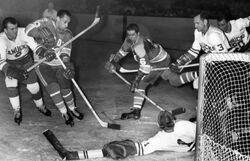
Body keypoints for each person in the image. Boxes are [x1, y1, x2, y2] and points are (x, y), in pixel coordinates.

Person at [44, 110, 196, 160]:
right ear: (174, 120)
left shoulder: (159, 139)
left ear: (159, 126)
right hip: (192, 144)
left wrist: (77, 155)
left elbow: (135, 148)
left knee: (125, 146)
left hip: (184, 148)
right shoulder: (184, 125)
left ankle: (73, 156)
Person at [25, 9, 83, 126]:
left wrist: (67, 65)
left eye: (68, 23)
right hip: (43, 63)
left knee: (66, 86)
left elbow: (65, 55)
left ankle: (72, 108)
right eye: (64, 22)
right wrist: (40, 33)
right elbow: (28, 30)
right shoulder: (46, 22)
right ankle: (64, 112)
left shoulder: (68, 34)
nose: (66, 25)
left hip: (58, 64)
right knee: (54, 87)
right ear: (57, 18)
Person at [105, 23, 172, 120]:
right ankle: (136, 112)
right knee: (173, 79)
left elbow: (145, 67)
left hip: (161, 62)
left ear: (138, 34)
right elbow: (122, 52)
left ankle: (136, 112)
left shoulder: (140, 45)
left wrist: (135, 80)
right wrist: (113, 61)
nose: (131, 37)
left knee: (141, 83)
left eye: (133, 35)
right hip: (153, 61)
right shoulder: (129, 39)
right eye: (129, 35)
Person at [0, 17, 51, 125]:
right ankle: (17, 110)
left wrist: (45, 53)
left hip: (27, 62)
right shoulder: (1, 39)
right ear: (5, 30)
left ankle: (40, 106)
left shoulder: (23, 32)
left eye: (16, 28)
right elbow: (1, 62)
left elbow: (36, 47)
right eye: (12, 29)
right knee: (11, 85)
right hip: (11, 65)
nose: (15, 31)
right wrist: (13, 72)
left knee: (34, 87)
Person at [168, 11, 230, 82]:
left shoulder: (213, 35)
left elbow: (225, 56)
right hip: (212, 64)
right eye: (194, 23)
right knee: (197, 84)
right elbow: (193, 52)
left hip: (224, 66)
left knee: (201, 85)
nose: (195, 26)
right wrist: (180, 62)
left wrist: (210, 63)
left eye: (197, 23)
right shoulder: (197, 32)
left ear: (205, 22)